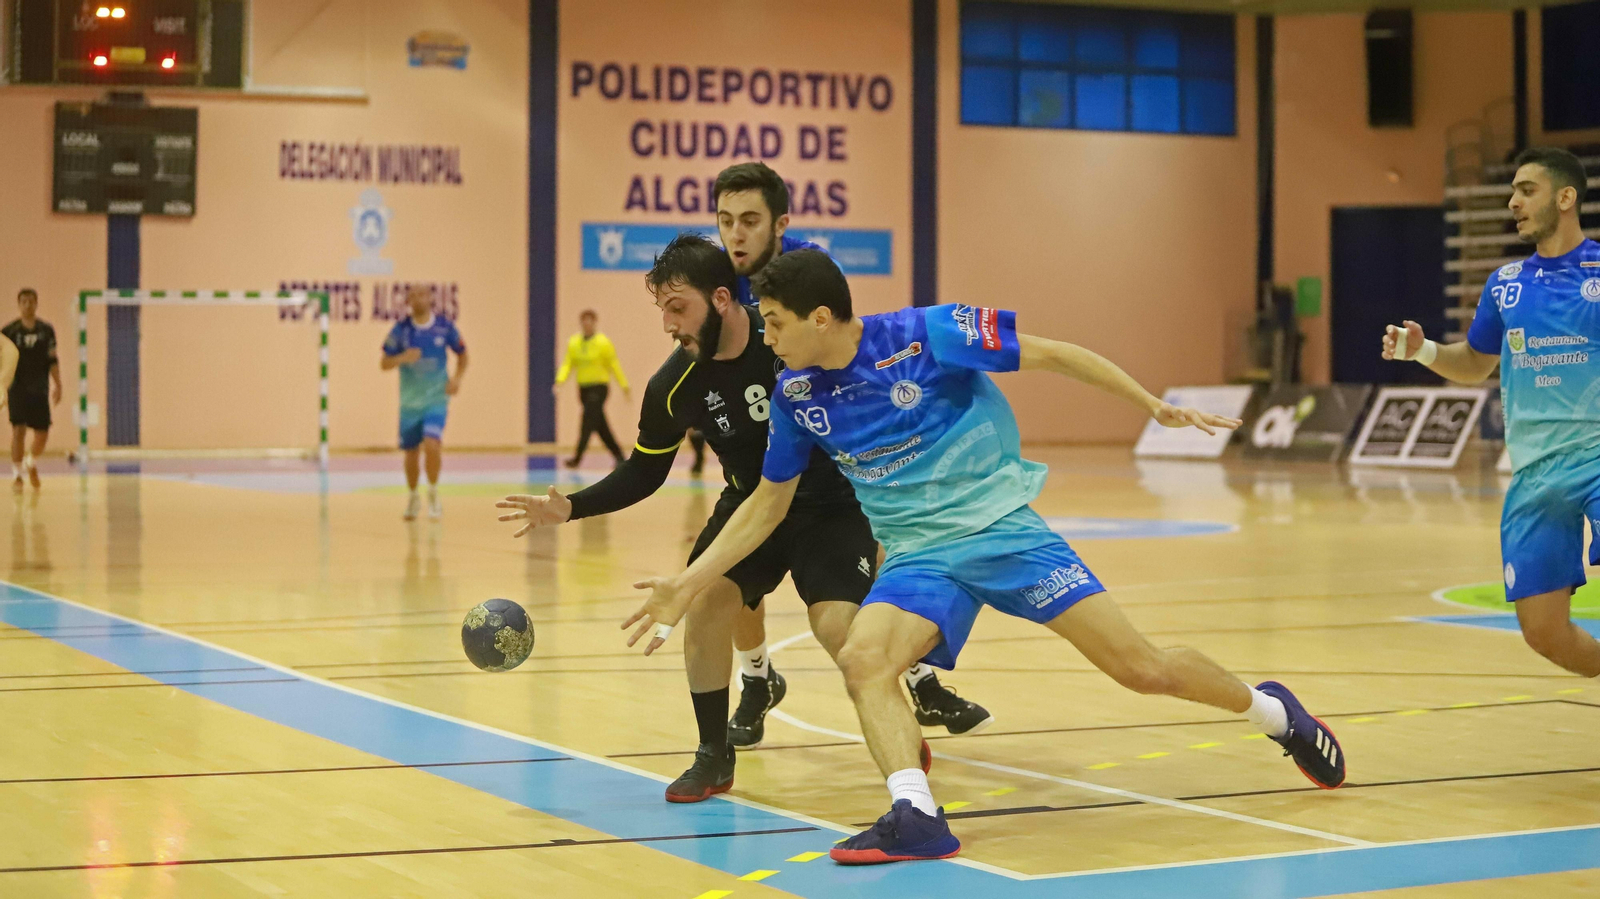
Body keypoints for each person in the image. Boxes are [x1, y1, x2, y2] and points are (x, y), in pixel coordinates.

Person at [627, 250, 1346, 864]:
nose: (767, 335)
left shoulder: (929, 333)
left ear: (819, 318)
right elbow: (766, 502)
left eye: (775, 321)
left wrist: (1150, 404)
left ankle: (1274, 713)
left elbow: (1055, 353)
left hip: (1004, 530)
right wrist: (690, 583)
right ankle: (916, 814)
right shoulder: (796, 395)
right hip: (920, 555)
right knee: (863, 658)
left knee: (1142, 668)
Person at [497, 234, 975, 802]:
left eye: (679, 309)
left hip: (832, 509)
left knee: (840, 634)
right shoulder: (672, 385)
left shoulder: (787, 338)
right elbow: (645, 471)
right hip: (750, 506)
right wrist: (572, 507)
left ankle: (899, 736)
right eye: (663, 311)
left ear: (721, 299)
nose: (669, 325)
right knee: (703, 604)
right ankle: (712, 755)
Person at [711, 161, 992, 742]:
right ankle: (757, 677)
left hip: (826, 469)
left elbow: (834, 349)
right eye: (724, 221)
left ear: (779, 224)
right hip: (756, 463)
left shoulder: (808, 271)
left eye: (749, 221)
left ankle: (920, 682)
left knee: (857, 605)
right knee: (732, 582)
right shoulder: (711, 275)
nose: (735, 234)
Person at [1384, 146, 1600, 678]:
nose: (1513, 202)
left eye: (1528, 190)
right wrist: (1423, 350)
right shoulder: (1505, 285)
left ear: (1566, 197)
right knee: (1545, 634)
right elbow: (1476, 363)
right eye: (1513, 192)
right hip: (1535, 473)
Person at [381, 284, 467, 521]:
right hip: (409, 404)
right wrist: (402, 358)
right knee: (410, 453)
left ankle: (433, 493)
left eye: (423, 294)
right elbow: (384, 363)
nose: (418, 299)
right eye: (414, 295)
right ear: (408, 300)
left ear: (431, 298)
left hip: (436, 400)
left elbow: (463, 354)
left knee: (432, 444)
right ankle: (412, 496)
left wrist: (457, 379)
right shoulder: (401, 330)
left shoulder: (444, 327)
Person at [554, 310, 630, 468]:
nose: (587, 325)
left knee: (587, 422)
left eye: (590, 322)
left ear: (595, 323)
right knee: (599, 425)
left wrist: (624, 385)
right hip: (584, 388)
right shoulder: (574, 342)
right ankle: (620, 457)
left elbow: (614, 364)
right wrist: (559, 381)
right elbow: (568, 364)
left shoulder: (603, 342)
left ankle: (577, 458)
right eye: (584, 322)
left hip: (599, 387)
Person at [3, 289, 61, 490]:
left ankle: (31, 461)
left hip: (40, 389)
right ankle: (18, 475)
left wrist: (58, 384)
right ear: (19, 305)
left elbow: (52, 359)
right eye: (24, 302)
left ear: (36, 304)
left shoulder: (46, 330)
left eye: (31, 301)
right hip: (17, 387)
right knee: (18, 429)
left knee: (42, 432)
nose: (28, 305)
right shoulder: (9, 332)